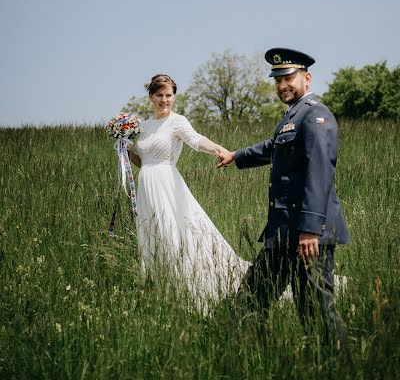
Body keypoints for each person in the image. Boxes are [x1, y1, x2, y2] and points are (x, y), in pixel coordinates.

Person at [217, 48, 350, 348]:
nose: (282, 86)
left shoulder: (316, 114)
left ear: (307, 77)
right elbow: (272, 147)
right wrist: (236, 156)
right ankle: (245, 357)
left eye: (288, 78)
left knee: (315, 311)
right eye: (277, 80)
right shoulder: (294, 116)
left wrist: (310, 230)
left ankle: (338, 365)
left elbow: (319, 173)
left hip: (306, 235)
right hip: (283, 232)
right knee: (250, 301)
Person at [128, 74, 249, 310]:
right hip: (146, 185)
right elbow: (143, 161)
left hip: (167, 184)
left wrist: (220, 150)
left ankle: (184, 287)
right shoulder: (142, 126)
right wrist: (123, 148)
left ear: (173, 96)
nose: (164, 100)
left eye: (169, 95)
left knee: (170, 231)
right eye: (159, 95)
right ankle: (158, 286)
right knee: (152, 231)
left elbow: (196, 140)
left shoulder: (177, 121)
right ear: (151, 97)